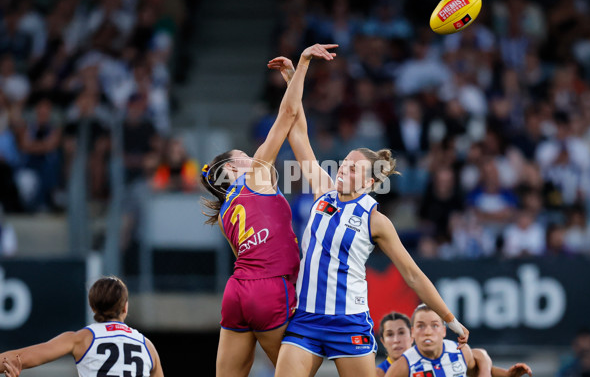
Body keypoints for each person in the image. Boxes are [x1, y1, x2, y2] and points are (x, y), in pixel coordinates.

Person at [267, 52, 468, 377]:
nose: (344, 168)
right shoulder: (323, 191)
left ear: (371, 181)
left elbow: (413, 275)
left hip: (349, 323)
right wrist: (295, 77)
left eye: (354, 167)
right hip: (305, 319)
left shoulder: (376, 219)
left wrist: (450, 320)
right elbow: (299, 133)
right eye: (344, 163)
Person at [200, 44, 338, 376]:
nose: (252, 155)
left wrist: (291, 77)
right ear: (234, 170)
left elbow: (296, 131)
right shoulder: (257, 174)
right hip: (270, 288)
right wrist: (302, 64)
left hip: (236, 292)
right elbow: (288, 119)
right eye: (243, 156)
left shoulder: (223, 213)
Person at [0, 276, 163, 377]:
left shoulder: (81, 339)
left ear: (92, 306)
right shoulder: (147, 346)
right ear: (125, 307)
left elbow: (17, 359)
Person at [384, 305, 532, 377]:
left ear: (443, 331)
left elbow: (478, 364)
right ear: (413, 332)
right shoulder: (402, 367)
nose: (428, 331)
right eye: (421, 326)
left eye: (434, 325)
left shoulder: (460, 353)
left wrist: (507, 375)